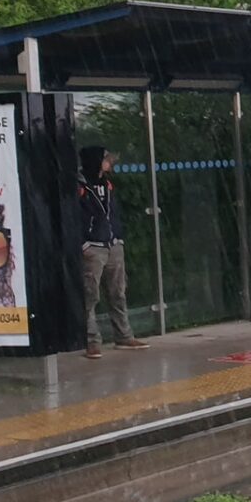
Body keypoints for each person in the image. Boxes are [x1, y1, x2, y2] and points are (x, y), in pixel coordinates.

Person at [78, 145, 148, 358]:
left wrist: (118, 238)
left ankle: (124, 336)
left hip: (113, 244)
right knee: (90, 295)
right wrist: (83, 244)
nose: (109, 163)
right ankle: (91, 341)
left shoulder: (107, 185)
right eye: (106, 159)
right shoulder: (80, 186)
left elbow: (113, 213)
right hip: (93, 247)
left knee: (118, 292)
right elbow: (74, 217)